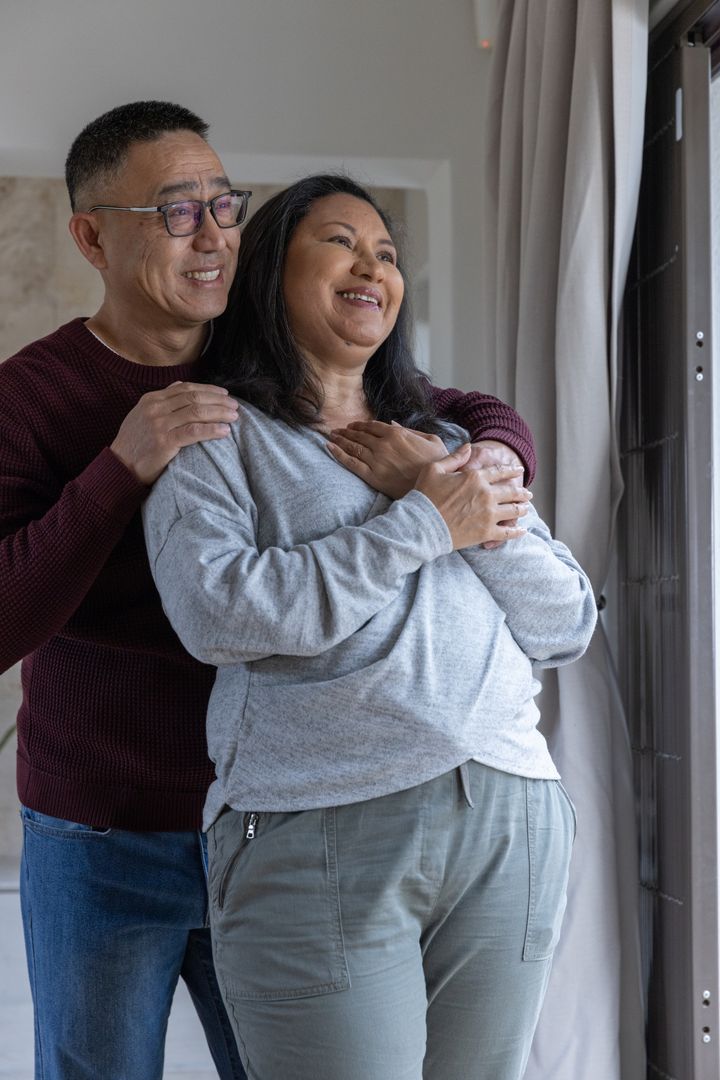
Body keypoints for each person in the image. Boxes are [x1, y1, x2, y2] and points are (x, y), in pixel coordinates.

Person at [0, 103, 537, 1080]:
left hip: (284, 824)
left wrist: (494, 457)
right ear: (91, 236)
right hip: (103, 832)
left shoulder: (270, 363)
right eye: (175, 212)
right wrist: (118, 470)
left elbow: (454, 406)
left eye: (224, 205)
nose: (213, 237)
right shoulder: (29, 399)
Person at [143, 174, 598, 1080]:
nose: (372, 266)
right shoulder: (217, 442)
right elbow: (223, 616)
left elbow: (566, 621)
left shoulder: (444, 441)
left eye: (386, 253)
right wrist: (426, 521)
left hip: (508, 812)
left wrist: (440, 486)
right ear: (271, 272)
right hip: (318, 822)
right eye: (340, 242)